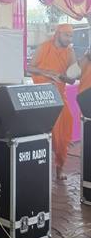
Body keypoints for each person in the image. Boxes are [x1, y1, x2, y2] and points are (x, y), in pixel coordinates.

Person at [29, 24, 77, 181]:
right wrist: (47, 73)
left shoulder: (70, 52)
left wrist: (62, 76)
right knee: (39, 134)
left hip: (58, 97)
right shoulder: (44, 47)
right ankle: (34, 169)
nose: (69, 39)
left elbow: (72, 79)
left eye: (71, 36)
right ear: (57, 34)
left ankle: (59, 168)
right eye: (66, 35)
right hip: (41, 97)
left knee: (63, 132)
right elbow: (30, 68)